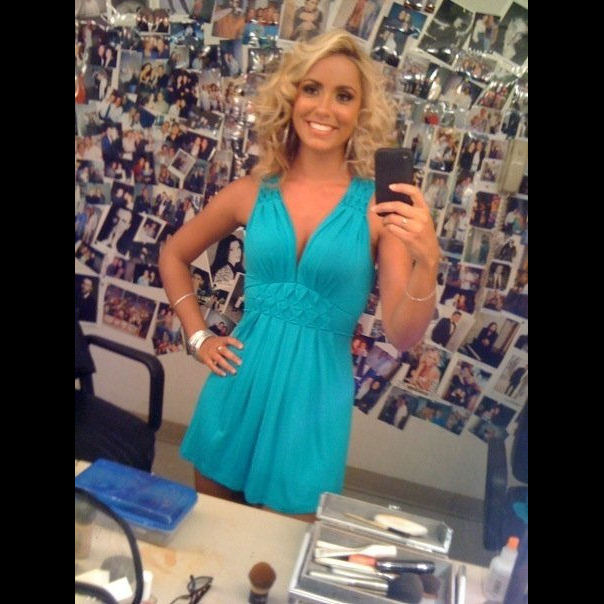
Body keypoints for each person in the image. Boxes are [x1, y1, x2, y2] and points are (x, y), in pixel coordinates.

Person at [158, 30, 440, 519]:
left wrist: (428, 262)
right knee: (210, 541)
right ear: (291, 97)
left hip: (313, 409)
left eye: (344, 95)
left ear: (361, 111)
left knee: (279, 552)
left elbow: (403, 334)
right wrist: (199, 337)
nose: (324, 108)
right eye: (312, 89)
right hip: (237, 387)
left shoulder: (378, 209)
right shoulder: (252, 191)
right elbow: (173, 255)